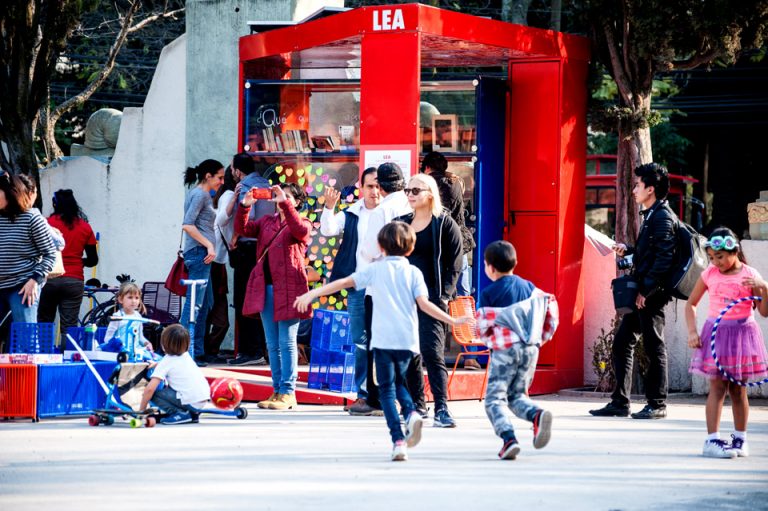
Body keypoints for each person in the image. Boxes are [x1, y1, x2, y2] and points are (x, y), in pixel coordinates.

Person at [294, 221, 472, 461]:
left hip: (383, 341)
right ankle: (411, 413)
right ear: (410, 248)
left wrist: (313, 293)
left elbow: (344, 282)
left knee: (387, 390)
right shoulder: (414, 273)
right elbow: (425, 305)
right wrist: (452, 320)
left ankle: (398, 439)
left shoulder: (375, 270)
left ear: (380, 246)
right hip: (408, 342)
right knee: (399, 383)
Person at [590, 163, 676, 420]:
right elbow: (648, 254)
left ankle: (657, 404)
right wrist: (628, 250)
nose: (634, 189)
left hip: (651, 295)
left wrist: (646, 292)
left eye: (638, 185)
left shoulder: (662, 217)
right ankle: (620, 402)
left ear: (651, 189)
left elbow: (664, 259)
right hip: (643, 292)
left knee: (654, 346)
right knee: (622, 343)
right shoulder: (652, 215)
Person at [685, 227, 768, 458]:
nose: (716, 262)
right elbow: (691, 304)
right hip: (717, 335)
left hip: (742, 336)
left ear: (734, 251)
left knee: (738, 390)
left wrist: (764, 287)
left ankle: (740, 440)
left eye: (719, 257)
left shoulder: (750, 274)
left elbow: (764, 311)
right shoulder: (709, 274)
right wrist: (692, 331)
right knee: (718, 387)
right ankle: (712, 441)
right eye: (712, 257)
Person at [236, 183, 312, 411]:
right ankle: (277, 390)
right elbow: (243, 229)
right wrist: (245, 206)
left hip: (290, 289)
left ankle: (288, 392)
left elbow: (300, 232)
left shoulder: (302, 221)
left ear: (297, 202)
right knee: (272, 343)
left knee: (287, 342)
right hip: (267, 288)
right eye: (279, 195)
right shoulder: (267, 222)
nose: (280, 199)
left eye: (287, 196)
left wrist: (286, 205)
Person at [396, 173, 463, 427]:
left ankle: (442, 408)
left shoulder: (444, 223)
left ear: (430, 194)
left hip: (432, 298)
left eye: (416, 190)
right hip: (403, 299)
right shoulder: (401, 223)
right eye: (408, 190)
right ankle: (417, 405)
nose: (410, 195)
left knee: (432, 352)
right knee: (409, 353)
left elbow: (455, 264)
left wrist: (444, 296)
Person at [478, 240, 553, 460]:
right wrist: (540, 340)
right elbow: (549, 311)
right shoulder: (530, 288)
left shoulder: (489, 293)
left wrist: (491, 342)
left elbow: (483, 326)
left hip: (505, 351)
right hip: (530, 349)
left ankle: (508, 438)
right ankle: (537, 415)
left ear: (490, 268)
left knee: (494, 400)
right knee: (516, 395)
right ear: (515, 262)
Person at [320, 167, 381, 416]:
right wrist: (329, 207)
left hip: (385, 287)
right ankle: (363, 394)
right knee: (360, 340)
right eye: (370, 186)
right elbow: (328, 230)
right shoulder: (353, 213)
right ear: (361, 188)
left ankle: (387, 394)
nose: (375, 191)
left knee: (384, 340)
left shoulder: (393, 212)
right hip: (358, 286)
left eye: (378, 186)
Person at [358, 162, 412, 413]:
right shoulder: (411, 205)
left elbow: (369, 250)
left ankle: (377, 399)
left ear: (380, 186)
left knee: (377, 342)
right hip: (407, 285)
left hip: (380, 287)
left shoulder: (382, 210)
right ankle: (411, 399)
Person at [227, 154, 273, 366]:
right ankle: (263, 348)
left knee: (244, 299)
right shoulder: (267, 185)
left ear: (238, 171)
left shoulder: (246, 187)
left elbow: (248, 216)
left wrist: (234, 237)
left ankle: (250, 351)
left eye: (232, 169)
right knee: (261, 299)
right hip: (265, 247)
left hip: (247, 249)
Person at [180, 159, 225, 367]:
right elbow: (187, 225)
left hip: (200, 253)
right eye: (219, 177)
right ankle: (183, 352)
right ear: (208, 176)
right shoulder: (200, 195)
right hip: (200, 253)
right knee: (194, 306)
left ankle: (196, 351)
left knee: (204, 305)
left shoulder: (200, 194)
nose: (222, 182)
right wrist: (209, 245)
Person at [38, 190, 98, 337]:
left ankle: (44, 351)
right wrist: (80, 261)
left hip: (48, 279)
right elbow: (93, 260)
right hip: (74, 280)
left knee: (44, 321)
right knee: (69, 326)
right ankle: (68, 351)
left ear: (55, 204)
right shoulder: (85, 227)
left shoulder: (46, 223)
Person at [0, 173, 56, 326]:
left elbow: (50, 254)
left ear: (11, 192)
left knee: (25, 333)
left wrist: (34, 280)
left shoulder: (32, 218)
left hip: (22, 285)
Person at [420, 152, 475, 295]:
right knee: (462, 286)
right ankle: (464, 308)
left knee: (441, 286)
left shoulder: (429, 186)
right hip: (459, 238)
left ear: (427, 167)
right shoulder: (456, 182)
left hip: (440, 241)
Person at [140, 324, 211, 425]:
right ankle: (191, 414)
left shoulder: (166, 361)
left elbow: (150, 389)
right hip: (201, 401)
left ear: (164, 344)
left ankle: (179, 413)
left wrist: (141, 412)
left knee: (154, 394)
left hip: (190, 402)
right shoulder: (186, 356)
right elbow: (173, 364)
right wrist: (157, 364)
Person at [202, 166, 235, 363]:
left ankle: (208, 350)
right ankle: (206, 350)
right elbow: (222, 221)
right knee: (210, 312)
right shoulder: (229, 196)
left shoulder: (221, 197)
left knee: (215, 315)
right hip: (213, 263)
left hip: (217, 263)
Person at [99, 281, 156, 361]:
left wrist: (147, 343)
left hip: (135, 352)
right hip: (119, 354)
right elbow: (107, 338)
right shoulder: (117, 317)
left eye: (136, 298)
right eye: (130, 297)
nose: (133, 301)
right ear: (120, 299)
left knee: (155, 359)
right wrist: (117, 345)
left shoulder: (138, 317)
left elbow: (140, 337)